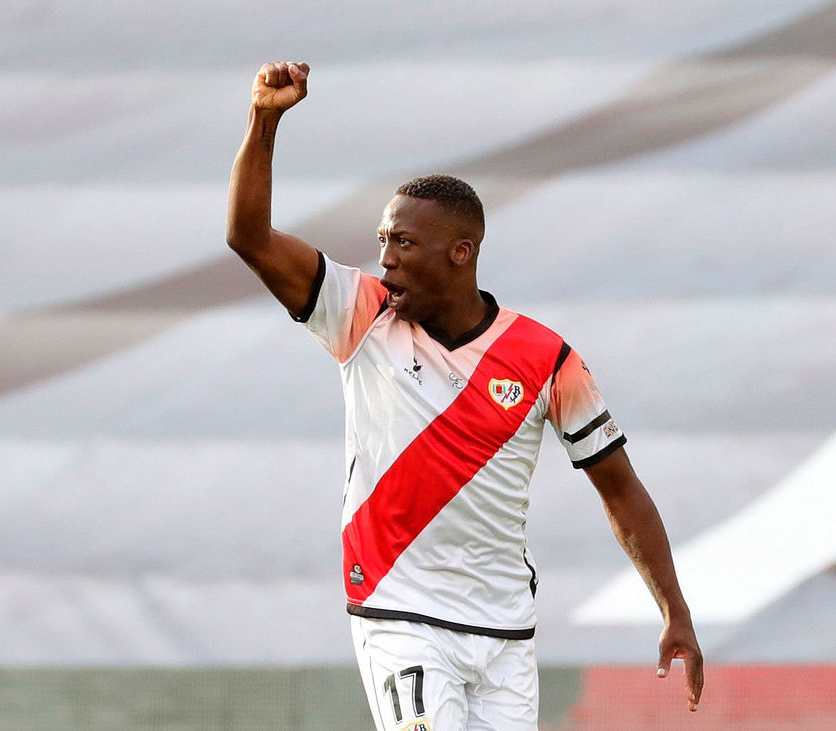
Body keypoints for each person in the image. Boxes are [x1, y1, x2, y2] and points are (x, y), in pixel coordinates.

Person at [227, 60, 703, 730]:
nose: (385, 258)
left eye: (403, 241)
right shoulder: (362, 315)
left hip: (505, 632)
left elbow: (620, 488)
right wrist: (264, 118)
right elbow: (248, 238)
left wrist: (674, 609)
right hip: (400, 612)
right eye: (382, 240)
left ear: (460, 251)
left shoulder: (547, 359)